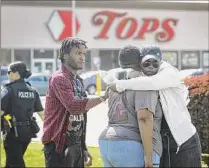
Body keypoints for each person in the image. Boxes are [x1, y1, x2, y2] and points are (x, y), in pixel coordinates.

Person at [108, 45, 202, 167]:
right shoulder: (141, 78)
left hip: (184, 141)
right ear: (140, 63)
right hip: (160, 142)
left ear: (161, 60)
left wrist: (120, 84)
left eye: (155, 62)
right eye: (147, 63)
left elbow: (153, 83)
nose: (151, 66)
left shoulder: (169, 72)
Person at [42, 37, 109, 168]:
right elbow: (74, 106)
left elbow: (82, 114)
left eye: (84, 53)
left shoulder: (77, 80)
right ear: (65, 55)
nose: (82, 57)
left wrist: (83, 147)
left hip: (75, 145)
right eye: (78, 53)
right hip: (58, 146)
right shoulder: (59, 79)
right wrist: (102, 98)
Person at [99, 45, 163, 167]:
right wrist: (148, 158)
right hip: (130, 145)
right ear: (140, 61)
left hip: (106, 141)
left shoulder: (114, 82)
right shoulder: (143, 82)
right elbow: (144, 118)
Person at [1, 61, 44, 168]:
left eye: (9, 72)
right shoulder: (33, 91)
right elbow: (43, 115)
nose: (7, 74)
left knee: (16, 163)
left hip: (12, 133)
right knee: (12, 161)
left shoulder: (8, 90)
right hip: (27, 133)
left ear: (16, 73)